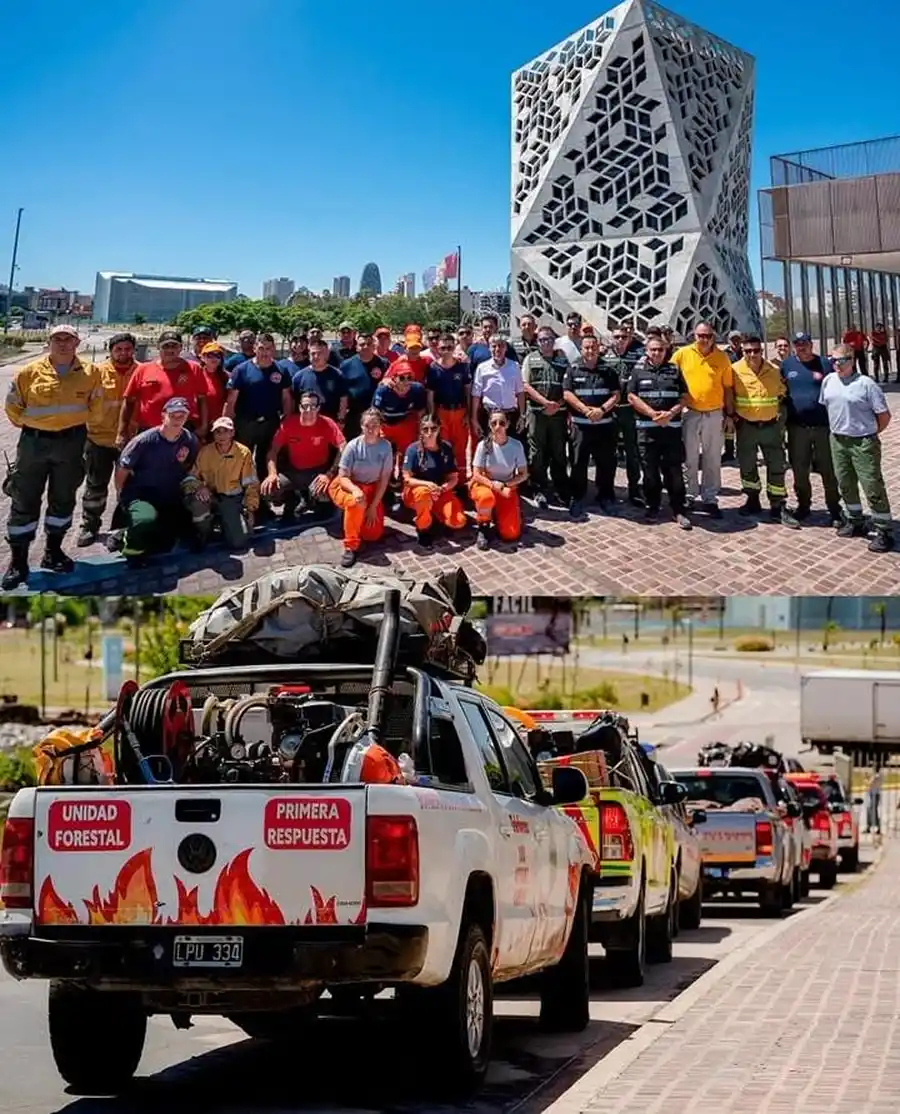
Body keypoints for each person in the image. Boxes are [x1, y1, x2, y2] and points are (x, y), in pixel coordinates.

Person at [2, 324, 102, 589]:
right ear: (49, 342)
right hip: (34, 444)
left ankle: (53, 552)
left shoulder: (91, 373)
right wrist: (37, 425)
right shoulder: (29, 372)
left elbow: (97, 405)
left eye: (68, 339)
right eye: (58, 339)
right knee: (23, 499)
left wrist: (72, 425)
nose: (63, 344)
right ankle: (18, 562)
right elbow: (13, 407)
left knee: (63, 498)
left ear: (77, 343)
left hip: (71, 443)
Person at [822, 343, 894, 552]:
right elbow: (829, 407)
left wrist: (869, 434)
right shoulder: (829, 381)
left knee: (872, 486)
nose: (837, 364)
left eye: (841, 360)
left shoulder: (866, 384)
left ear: (852, 360)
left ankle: (884, 530)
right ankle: (855, 521)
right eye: (833, 360)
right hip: (838, 440)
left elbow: (884, 416)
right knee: (845, 483)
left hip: (862, 442)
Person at [111, 397, 200, 562]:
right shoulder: (143, 441)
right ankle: (131, 550)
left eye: (182, 415)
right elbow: (122, 470)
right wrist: (120, 494)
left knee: (168, 541)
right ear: (163, 416)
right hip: (140, 495)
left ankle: (129, 532)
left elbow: (190, 466)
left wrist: (193, 485)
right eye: (173, 415)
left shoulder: (189, 440)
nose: (177, 419)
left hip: (167, 495)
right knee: (145, 519)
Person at [77, 332, 138, 547]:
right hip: (98, 439)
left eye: (127, 349)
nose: (123, 353)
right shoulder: (95, 372)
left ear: (134, 350)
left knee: (129, 486)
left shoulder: (142, 371)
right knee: (95, 485)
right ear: (111, 350)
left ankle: (124, 527)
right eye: (118, 349)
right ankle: (89, 525)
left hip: (131, 441)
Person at [730, 337, 799, 528]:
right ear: (742, 352)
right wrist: (730, 416)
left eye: (756, 350)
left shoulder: (774, 371)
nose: (752, 354)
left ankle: (777, 505)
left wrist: (780, 418)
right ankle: (752, 500)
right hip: (746, 427)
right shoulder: (734, 370)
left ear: (762, 351)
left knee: (776, 465)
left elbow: (783, 394)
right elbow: (728, 394)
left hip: (770, 427)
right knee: (747, 465)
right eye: (748, 351)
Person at [627, 336, 692, 529]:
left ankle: (678, 509)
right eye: (653, 349)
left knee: (674, 472)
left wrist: (671, 413)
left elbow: (685, 397)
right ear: (646, 351)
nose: (657, 353)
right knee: (650, 473)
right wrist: (652, 414)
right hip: (647, 431)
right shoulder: (638, 371)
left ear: (666, 351)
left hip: (671, 430)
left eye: (660, 350)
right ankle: (653, 506)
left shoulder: (674, 370)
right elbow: (631, 396)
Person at [673, 322, 734, 518]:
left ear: (713, 336)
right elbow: (670, 379)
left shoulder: (722, 357)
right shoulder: (682, 354)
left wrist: (730, 414)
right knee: (689, 457)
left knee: (712, 458)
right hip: (690, 413)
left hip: (714, 414)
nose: (704, 339)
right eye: (701, 335)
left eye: (708, 336)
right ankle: (690, 494)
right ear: (694, 335)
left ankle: (710, 498)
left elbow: (728, 388)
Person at [779, 333, 842, 525]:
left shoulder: (825, 364)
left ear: (811, 344)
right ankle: (804, 505)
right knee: (799, 468)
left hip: (823, 427)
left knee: (828, 469)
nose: (801, 347)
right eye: (798, 344)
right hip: (797, 427)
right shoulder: (786, 365)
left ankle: (835, 509)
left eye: (804, 344)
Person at [224, 332, 294, 492]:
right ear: (255, 348)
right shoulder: (241, 370)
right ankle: (239, 494)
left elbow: (286, 398)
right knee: (241, 459)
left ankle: (263, 496)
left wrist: (287, 421)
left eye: (268, 348)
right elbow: (231, 400)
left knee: (266, 460)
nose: (265, 352)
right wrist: (227, 424)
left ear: (274, 349)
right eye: (261, 348)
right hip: (245, 422)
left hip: (270, 423)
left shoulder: (281, 370)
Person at [260, 390, 344, 518]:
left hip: (318, 472)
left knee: (325, 495)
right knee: (269, 490)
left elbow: (344, 448)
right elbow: (273, 451)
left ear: (318, 408)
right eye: (305, 406)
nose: (308, 410)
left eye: (313, 406)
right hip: (293, 472)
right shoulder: (288, 424)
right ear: (299, 407)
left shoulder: (328, 423)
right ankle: (292, 500)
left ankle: (318, 503)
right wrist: (272, 474)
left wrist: (329, 474)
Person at [563, 331, 620, 517]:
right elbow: (567, 393)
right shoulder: (573, 369)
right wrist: (585, 410)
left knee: (606, 463)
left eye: (593, 347)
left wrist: (601, 410)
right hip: (581, 425)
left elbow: (616, 395)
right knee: (578, 463)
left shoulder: (608, 370)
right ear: (581, 349)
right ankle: (577, 497)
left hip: (604, 425)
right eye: (586, 347)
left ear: (598, 348)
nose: (590, 350)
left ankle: (605, 496)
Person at [328, 409, 394, 566]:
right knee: (356, 503)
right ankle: (350, 545)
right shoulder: (352, 446)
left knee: (373, 534)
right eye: (367, 425)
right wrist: (355, 490)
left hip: (372, 487)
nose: (371, 429)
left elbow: (384, 479)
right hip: (348, 486)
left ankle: (353, 522)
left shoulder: (386, 447)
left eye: (374, 425)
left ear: (380, 426)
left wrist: (373, 507)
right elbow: (343, 477)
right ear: (361, 426)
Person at [184, 415, 259, 549]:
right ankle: (203, 533)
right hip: (210, 495)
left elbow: (251, 483)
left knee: (238, 542)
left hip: (232, 499)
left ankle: (225, 522)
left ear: (233, 433)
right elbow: (190, 478)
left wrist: (250, 509)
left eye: (226, 431)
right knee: (197, 503)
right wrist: (200, 486)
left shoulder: (244, 453)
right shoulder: (205, 452)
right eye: (218, 432)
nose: (221, 435)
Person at [119, 329, 208, 439]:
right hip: (149, 430)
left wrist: (204, 425)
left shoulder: (194, 368)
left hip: (182, 429)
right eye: (166, 346)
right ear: (158, 347)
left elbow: (202, 398)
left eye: (174, 346)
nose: (170, 350)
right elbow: (129, 401)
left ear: (181, 348)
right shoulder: (143, 369)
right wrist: (122, 432)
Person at [521, 326, 570, 509]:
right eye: (542, 340)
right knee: (536, 452)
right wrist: (545, 403)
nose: (545, 343)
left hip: (558, 413)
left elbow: (569, 386)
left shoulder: (563, 360)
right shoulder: (530, 358)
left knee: (558, 451)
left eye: (549, 339)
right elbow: (525, 385)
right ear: (537, 341)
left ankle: (560, 487)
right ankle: (538, 487)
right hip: (537, 413)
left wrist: (556, 404)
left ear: (554, 340)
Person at [401, 415, 467, 547]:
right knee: (424, 494)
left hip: (440, 491)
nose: (429, 432)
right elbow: (407, 480)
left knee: (458, 521)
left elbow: (454, 478)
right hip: (417, 492)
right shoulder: (413, 449)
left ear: (439, 429)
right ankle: (423, 528)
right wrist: (428, 485)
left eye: (433, 428)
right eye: (425, 429)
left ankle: (435, 515)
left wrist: (443, 488)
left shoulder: (446, 447)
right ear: (420, 430)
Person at [470, 412, 529, 549]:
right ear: (489, 425)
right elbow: (476, 474)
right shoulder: (483, 445)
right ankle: (484, 526)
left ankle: (501, 515)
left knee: (511, 534)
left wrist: (505, 485)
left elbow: (523, 474)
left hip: (506, 486)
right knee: (485, 498)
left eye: (502, 423)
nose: (497, 427)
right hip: (485, 485)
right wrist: (493, 485)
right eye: (494, 423)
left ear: (507, 424)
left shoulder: (516, 445)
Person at [605, 324, 646, 506]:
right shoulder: (604, 357)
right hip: (610, 411)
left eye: (624, 337)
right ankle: (607, 490)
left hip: (630, 411)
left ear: (629, 338)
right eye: (617, 337)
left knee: (632, 452)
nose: (620, 340)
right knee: (608, 452)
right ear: (611, 338)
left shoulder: (638, 356)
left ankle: (634, 490)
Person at [426, 333, 471, 476]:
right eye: (443, 348)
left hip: (460, 412)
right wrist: (432, 415)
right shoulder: (433, 368)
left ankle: (461, 479)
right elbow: (430, 394)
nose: (446, 351)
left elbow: (467, 391)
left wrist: (468, 413)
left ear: (454, 347)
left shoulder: (462, 367)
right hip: (441, 412)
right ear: (438, 348)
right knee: (443, 446)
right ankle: (445, 478)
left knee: (461, 447)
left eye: (449, 347)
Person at [372, 366, 428, 478]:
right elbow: (375, 412)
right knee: (382, 453)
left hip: (404, 423)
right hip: (385, 425)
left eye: (409, 378)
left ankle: (404, 477)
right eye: (402, 378)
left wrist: (421, 432)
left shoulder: (417, 390)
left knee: (406, 452)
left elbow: (421, 412)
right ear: (394, 379)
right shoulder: (383, 390)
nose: (406, 381)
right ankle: (384, 477)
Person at [470, 335, 525, 440]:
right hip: (489, 416)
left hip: (510, 415)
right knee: (489, 447)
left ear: (506, 348)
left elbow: (520, 392)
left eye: (501, 346)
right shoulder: (482, 368)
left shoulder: (514, 366)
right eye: (494, 346)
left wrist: (522, 416)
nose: (497, 349)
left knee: (511, 446)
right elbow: (476, 395)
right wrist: (474, 419)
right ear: (489, 348)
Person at [340, 330, 388, 437]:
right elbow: (341, 392)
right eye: (362, 344)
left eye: (369, 344)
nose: (365, 347)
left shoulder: (383, 363)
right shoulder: (346, 365)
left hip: (377, 414)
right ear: (356, 347)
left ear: (374, 346)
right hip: (354, 415)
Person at [291, 336, 349, 423]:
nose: (316, 356)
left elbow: (343, 399)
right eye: (313, 353)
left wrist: (341, 420)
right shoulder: (299, 377)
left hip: (330, 423)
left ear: (327, 354)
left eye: (320, 353)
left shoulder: (337, 375)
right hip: (306, 422)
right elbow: (293, 402)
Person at [198, 342, 228, 426]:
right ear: (202, 358)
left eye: (218, 355)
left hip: (219, 423)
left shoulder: (226, 377)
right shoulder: (196, 375)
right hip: (198, 423)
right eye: (210, 355)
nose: (214, 358)